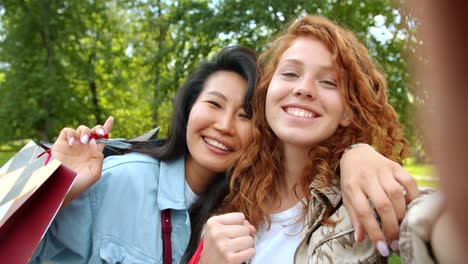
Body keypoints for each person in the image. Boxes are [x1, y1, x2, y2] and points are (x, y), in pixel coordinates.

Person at [31, 43, 416, 263]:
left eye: (246, 114)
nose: (225, 126)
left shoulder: (243, 200)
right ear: (189, 108)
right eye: (213, 104)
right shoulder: (121, 180)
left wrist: (356, 153)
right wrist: (54, 191)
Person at [192, 15, 414, 263]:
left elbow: (431, 220)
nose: (304, 88)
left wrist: (358, 151)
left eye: (328, 82)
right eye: (289, 73)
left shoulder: (362, 196)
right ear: (266, 91)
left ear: (348, 111)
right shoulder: (230, 191)